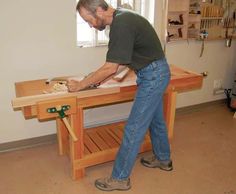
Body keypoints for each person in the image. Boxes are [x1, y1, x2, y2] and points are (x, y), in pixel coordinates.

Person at [68, 0, 173, 191]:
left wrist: (81, 85)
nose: (90, 25)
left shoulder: (121, 24)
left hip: (153, 75)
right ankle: (163, 159)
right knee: (155, 121)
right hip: (155, 73)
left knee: (134, 128)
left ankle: (120, 178)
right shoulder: (122, 17)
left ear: (99, 10)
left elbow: (111, 66)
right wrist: (96, 80)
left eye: (88, 20)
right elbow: (122, 61)